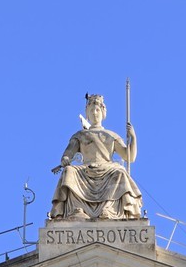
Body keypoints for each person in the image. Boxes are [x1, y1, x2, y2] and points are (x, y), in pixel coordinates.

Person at [49, 93, 142, 222]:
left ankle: (109, 209)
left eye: (97, 110)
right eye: (91, 110)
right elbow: (68, 154)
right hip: (85, 168)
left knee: (120, 172)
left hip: (107, 168)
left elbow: (129, 157)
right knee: (69, 171)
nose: (94, 113)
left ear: (103, 112)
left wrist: (133, 137)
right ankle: (78, 209)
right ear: (87, 113)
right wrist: (65, 158)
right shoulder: (80, 135)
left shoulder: (111, 135)